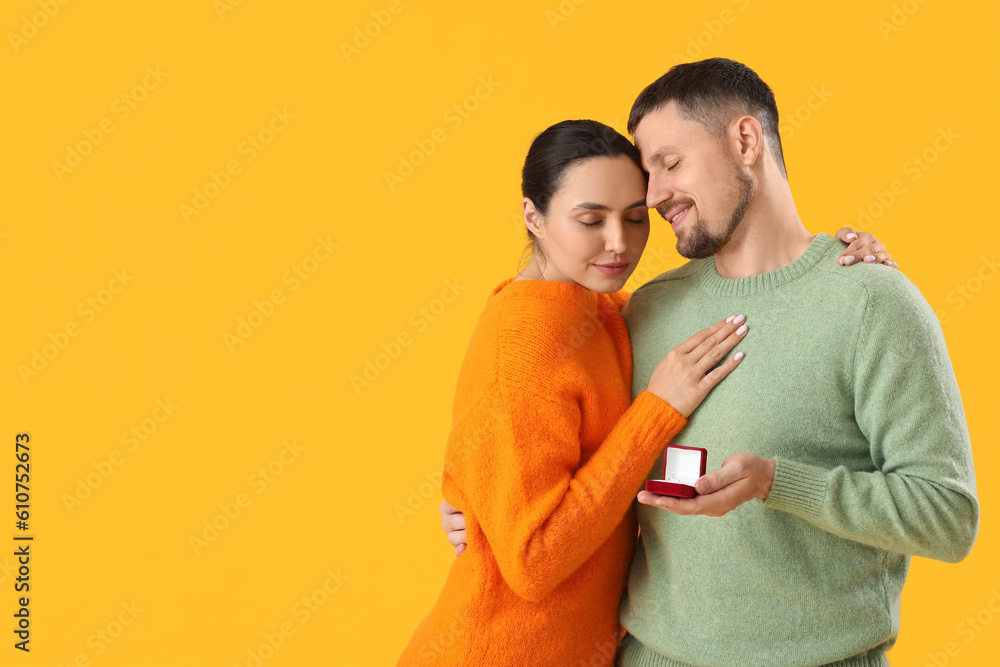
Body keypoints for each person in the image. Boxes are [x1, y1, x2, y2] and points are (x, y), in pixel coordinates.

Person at [442, 59, 978, 667]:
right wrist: (478, 505)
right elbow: (559, 455)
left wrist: (778, 482)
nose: (654, 194)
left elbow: (949, 517)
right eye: (648, 174)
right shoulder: (641, 312)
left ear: (746, 141)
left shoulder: (870, 303)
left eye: (670, 163)